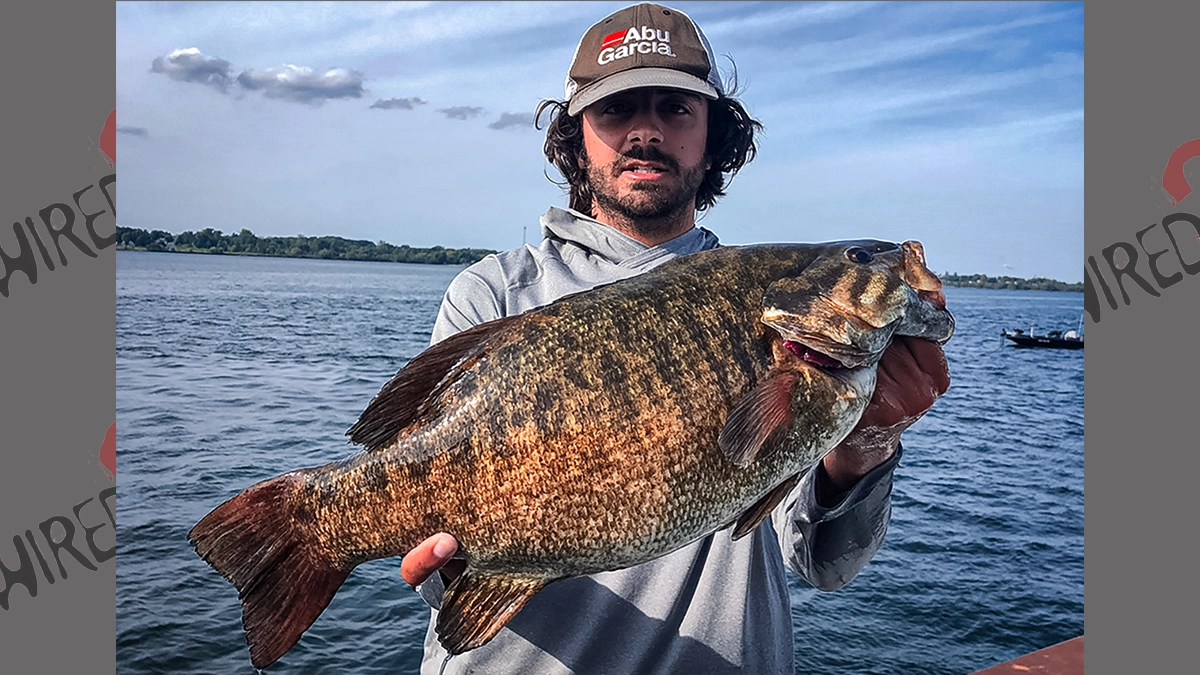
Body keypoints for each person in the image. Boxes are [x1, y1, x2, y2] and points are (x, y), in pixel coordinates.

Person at [401, 4, 950, 673]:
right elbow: (440, 579)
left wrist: (867, 443)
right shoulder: (492, 295)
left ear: (713, 133)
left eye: (675, 109)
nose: (645, 131)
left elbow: (821, 561)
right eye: (618, 109)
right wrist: (441, 557)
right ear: (577, 136)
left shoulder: (776, 317)